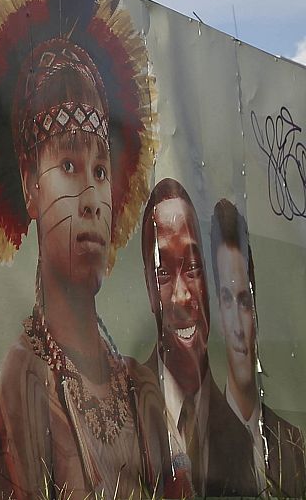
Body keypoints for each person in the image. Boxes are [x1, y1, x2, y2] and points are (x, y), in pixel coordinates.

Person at [0, 0, 170, 499]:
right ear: (29, 184)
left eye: (100, 171)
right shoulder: (21, 388)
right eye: (69, 166)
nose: (93, 198)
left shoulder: (141, 387)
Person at [138, 178, 259, 497]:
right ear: (149, 289)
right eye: (163, 272)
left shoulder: (239, 440)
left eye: (192, 268)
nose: (179, 295)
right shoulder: (122, 410)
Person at [210, 198, 305, 497]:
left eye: (244, 301)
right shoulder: (201, 444)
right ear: (216, 311)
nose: (238, 326)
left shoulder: (293, 443)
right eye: (227, 300)